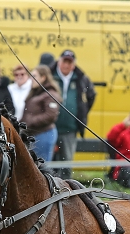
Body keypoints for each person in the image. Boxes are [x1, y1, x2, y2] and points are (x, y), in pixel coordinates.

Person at [50, 49, 96, 179]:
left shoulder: (81, 79)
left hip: (70, 129)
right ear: (59, 61)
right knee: (47, 162)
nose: (66, 65)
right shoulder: (50, 75)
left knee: (67, 163)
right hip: (49, 127)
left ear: (73, 65)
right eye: (64, 61)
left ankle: (66, 192)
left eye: (69, 62)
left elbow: (92, 95)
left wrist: (82, 112)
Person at [22, 65, 60, 164]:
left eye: (34, 76)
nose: (31, 79)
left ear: (43, 78)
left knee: (42, 167)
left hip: (44, 134)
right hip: (33, 134)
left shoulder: (51, 94)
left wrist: (30, 121)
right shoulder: (35, 93)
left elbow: (50, 115)